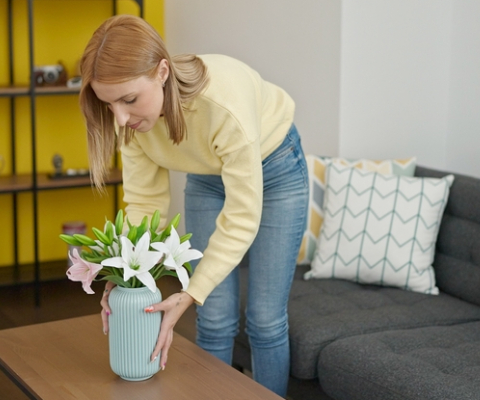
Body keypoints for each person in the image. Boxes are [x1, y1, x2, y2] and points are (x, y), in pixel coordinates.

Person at [78, 15, 308, 396]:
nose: (120, 117)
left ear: (162, 72)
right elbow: (144, 203)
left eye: (129, 100)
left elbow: (241, 218)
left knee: (265, 321)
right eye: (109, 103)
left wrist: (187, 293)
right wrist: (119, 274)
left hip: (277, 167)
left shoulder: (223, 106)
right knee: (214, 317)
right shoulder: (128, 121)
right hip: (207, 173)